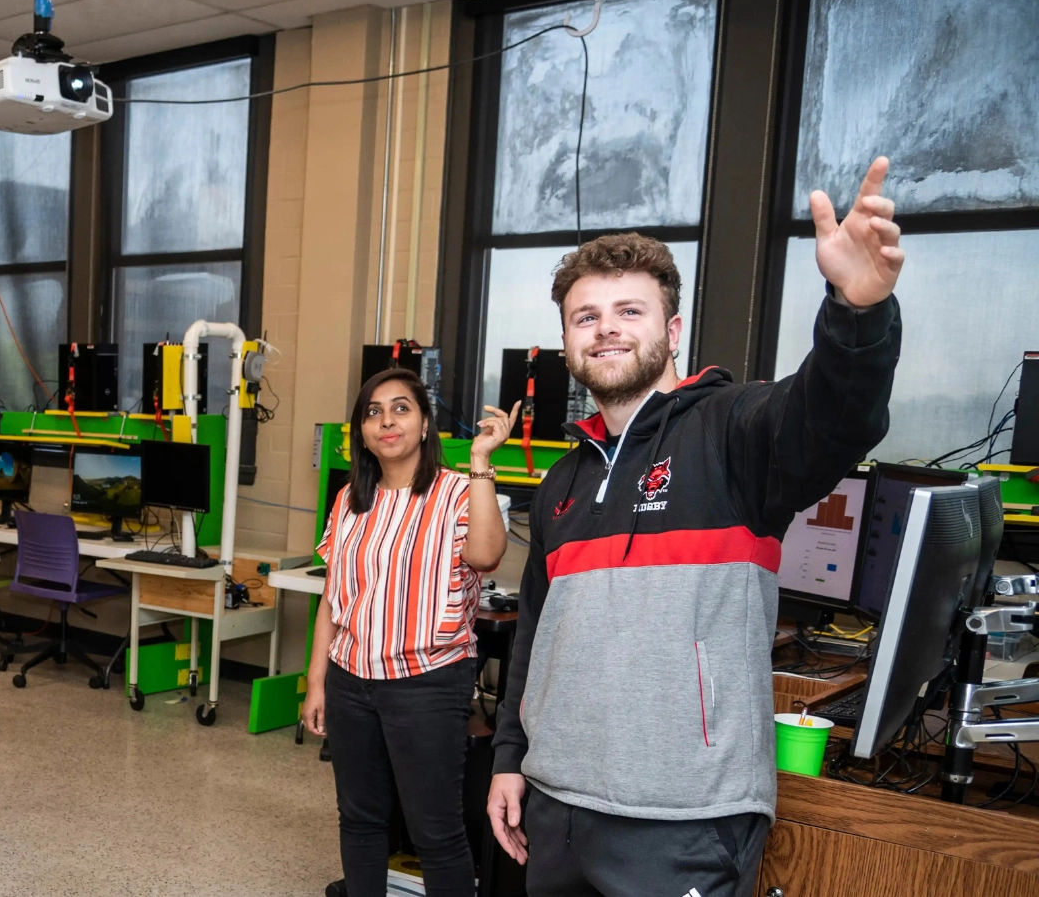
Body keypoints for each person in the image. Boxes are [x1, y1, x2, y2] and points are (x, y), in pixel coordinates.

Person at [486, 158, 905, 897]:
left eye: (630, 310)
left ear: (672, 328)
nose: (607, 328)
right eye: (586, 316)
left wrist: (856, 312)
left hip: (685, 819)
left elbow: (836, 418)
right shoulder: (563, 480)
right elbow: (534, 638)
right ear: (566, 342)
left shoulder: (734, 432)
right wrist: (509, 758)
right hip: (558, 807)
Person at [302, 371, 514, 897]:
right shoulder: (351, 498)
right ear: (361, 431)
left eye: (401, 408)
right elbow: (334, 594)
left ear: (424, 424)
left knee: (435, 831)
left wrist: (483, 461)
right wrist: (316, 680)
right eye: (373, 412)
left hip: (427, 684)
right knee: (360, 818)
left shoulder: (458, 492)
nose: (387, 421)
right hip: (352, 681)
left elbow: (486, 556)